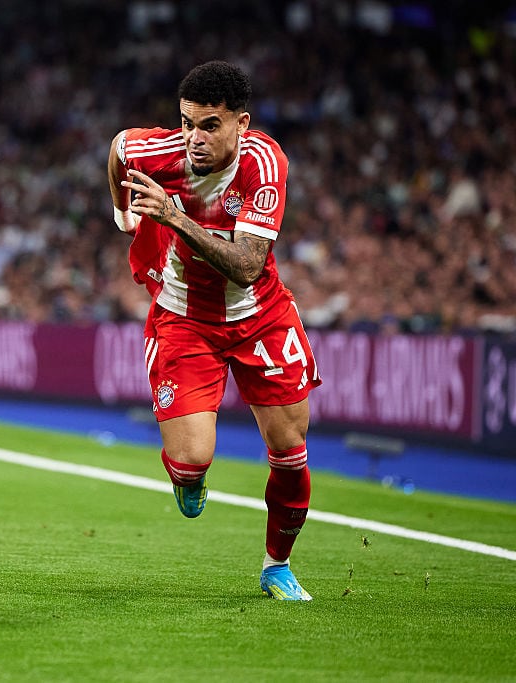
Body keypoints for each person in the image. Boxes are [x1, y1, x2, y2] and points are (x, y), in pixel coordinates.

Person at [107, 61, 321, 600]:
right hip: (184, 318)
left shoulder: (263, 164)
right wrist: (123, 216)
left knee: (290, 446)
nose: (194, 139)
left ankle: (277, 565)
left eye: (209, 126)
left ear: (240, 124)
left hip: (259, 315)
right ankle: (189, 480)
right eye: (186, 124)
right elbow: (118, 149)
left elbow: (248, 266)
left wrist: (175, 218)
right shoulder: (159, 153)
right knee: (190, 461)